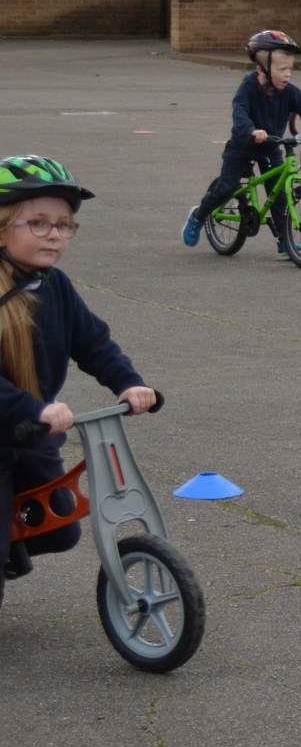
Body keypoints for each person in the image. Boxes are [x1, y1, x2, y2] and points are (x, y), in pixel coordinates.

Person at [1, 156, 158, 585]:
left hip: (31, 435)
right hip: (16, 422)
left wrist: (128, 382)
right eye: (37, 223)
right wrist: (32, 408)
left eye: (63, 224)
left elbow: (92, 343)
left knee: (60, 528)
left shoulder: (56, 286)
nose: (54, 234)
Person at [181, 31, 301, 254]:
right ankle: (199, 215)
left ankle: (284, 240)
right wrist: (251, 131)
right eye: (282, 70)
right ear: (262, 68)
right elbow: (240, 111)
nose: (288, 74)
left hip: (271, 147)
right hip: (243, 146)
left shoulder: (288, 92)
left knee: (280, 193)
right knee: (227, 187)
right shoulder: (249, 87)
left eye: (290, 69)